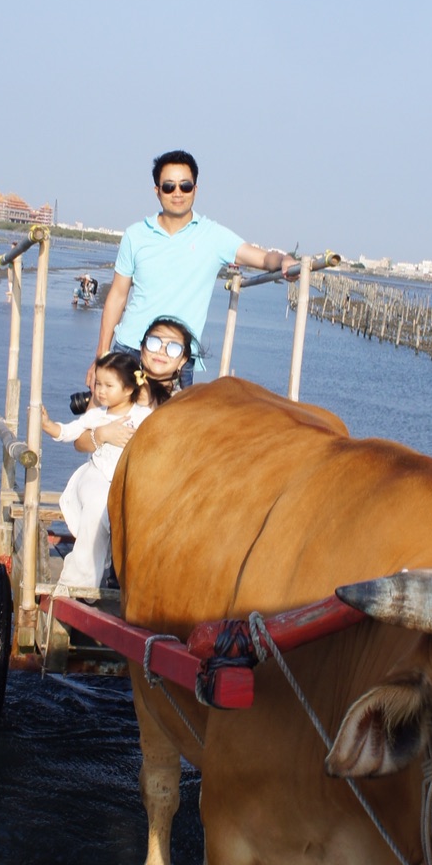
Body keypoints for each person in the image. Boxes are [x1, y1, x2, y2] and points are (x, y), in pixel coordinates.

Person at [89, 149, 297, 389]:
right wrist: (101, 356)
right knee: (112, 425)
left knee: (175, 426)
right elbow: (117, 295)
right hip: (130, 350)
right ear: (157, 191)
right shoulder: (135, 235)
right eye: (169, 186)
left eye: (185, 186)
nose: (177, 193)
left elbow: (263, 257)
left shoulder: (213, 236)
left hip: (178, 357)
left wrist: (285, 261)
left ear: (195, 189)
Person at [42, 351, 149, 591]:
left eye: (109, 385)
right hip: (96, 474)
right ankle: (78, 582)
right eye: (98, 384)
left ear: (129, 388)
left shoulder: (144, 417)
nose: (100, 391)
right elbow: (70, 432)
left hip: (128, 479)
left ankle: (130, 580)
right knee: (98, 505)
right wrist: (49, 425)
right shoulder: (96, 415)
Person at [71, 317, 198, 461]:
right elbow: (79, 443)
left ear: (182, 360)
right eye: (154, 343)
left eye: (173, 348)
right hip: (102, 478)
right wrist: (103, 434)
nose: (162, 351)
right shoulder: (113, 387)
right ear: (142, 349)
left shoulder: (184, 404)